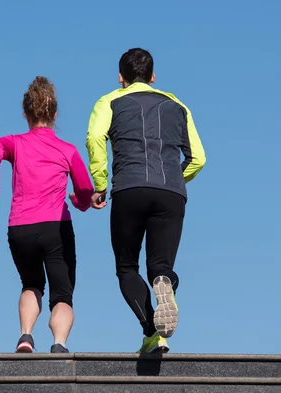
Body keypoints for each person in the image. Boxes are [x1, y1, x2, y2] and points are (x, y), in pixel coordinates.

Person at [85, 48, 206, 353]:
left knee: (127, 267)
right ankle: (164, 289)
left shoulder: (109, 101)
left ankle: (151, 331)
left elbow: (95, 138)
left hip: (129, 188)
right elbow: (198, 158)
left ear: (121, 78)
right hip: (170, 192)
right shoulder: (178, 105)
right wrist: (175, 177)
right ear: (153, 77)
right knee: (160, 266)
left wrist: (99, 184)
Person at [0, 76, 93, 354]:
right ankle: (59, 344)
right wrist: (81, 202)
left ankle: (25, 336)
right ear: (54, 114)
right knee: (62, 294)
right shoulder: (67, 150)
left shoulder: (16, 143)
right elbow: (86, 189)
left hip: (21, 228)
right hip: (56, 228)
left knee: (31, 284)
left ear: (26, 114)